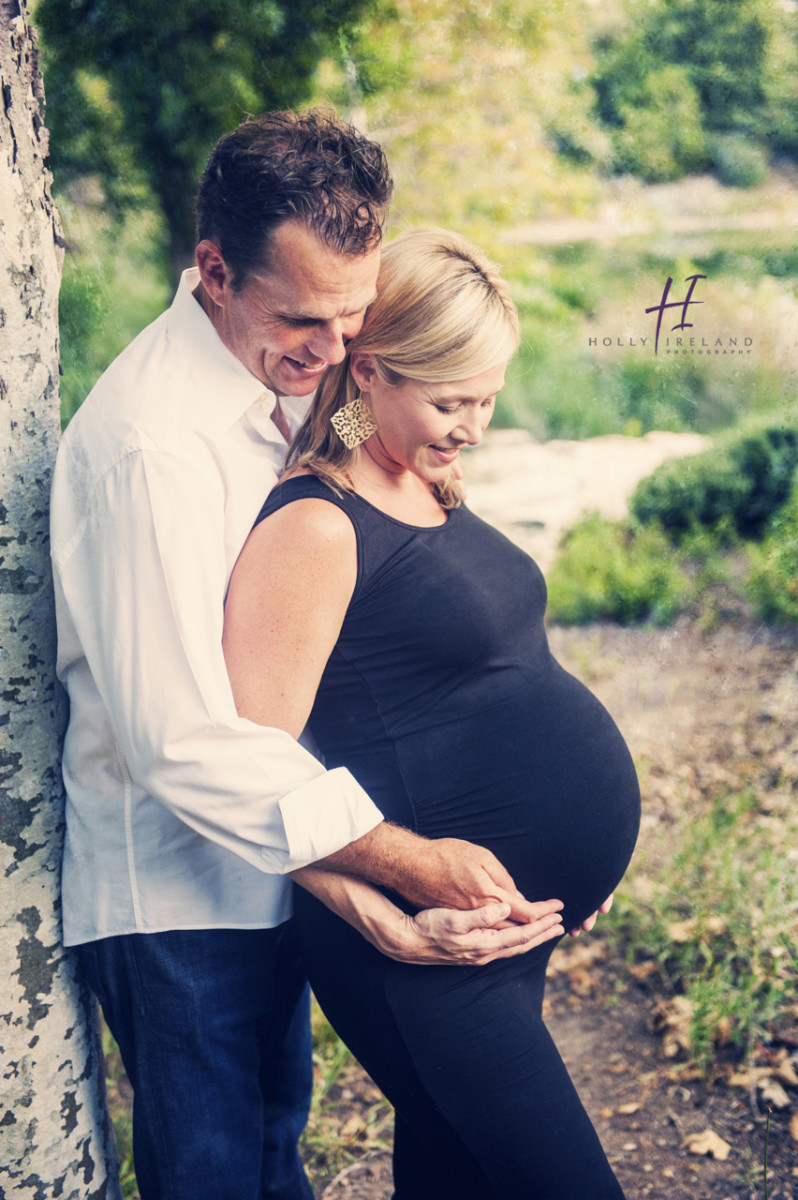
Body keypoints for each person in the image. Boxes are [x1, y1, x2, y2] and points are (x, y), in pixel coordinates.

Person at [50, 112, 565, 1200]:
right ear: (214, 271)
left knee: (275, 1147)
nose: (332, 354)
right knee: (218, 1177)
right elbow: (182, 742)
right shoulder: (155, 446)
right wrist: (401, 864)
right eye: (303, 320)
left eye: (350, 317)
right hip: (176, 897)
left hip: (271, 867)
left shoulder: (279, 376)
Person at [223, 227, 641, 1199]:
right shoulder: (315, 526)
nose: (475, 426)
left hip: (508, 928)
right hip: (431, 962)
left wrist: (579, 852)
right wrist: (369, 894)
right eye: (451, 401)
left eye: (489, 398)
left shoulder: (428, 478)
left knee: (453, 1177)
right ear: (367, 372)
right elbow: (252, 759)